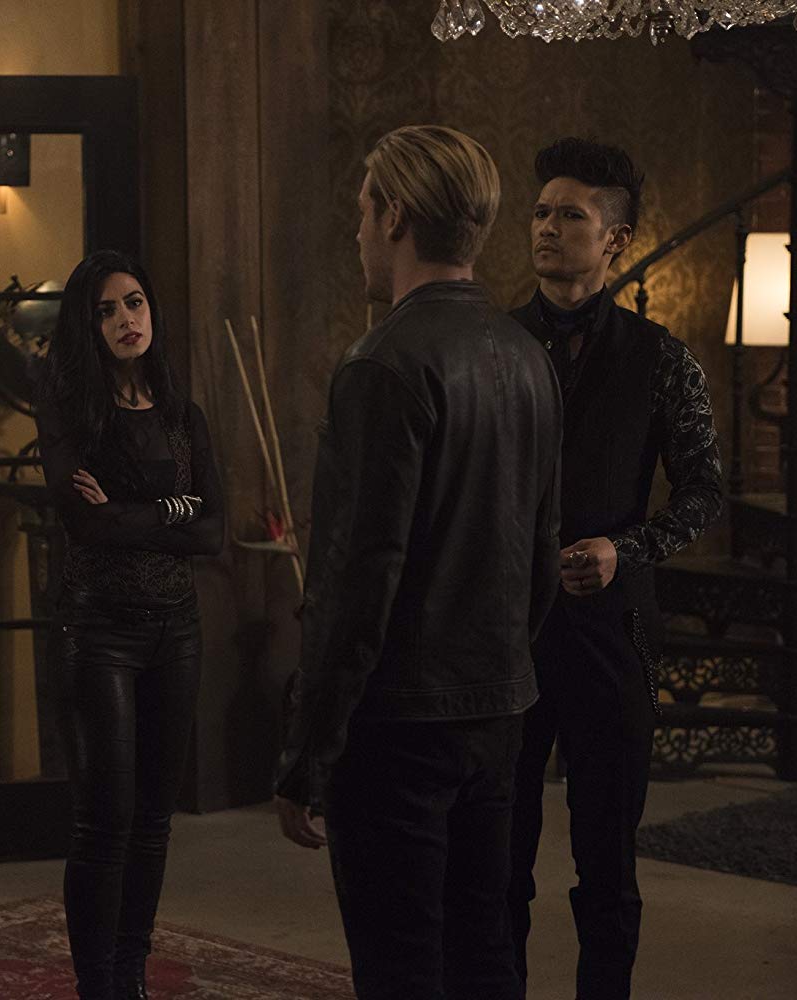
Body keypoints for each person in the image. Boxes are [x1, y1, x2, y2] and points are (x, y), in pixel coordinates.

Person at [274, 124, 563, 1000]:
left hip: (399, 727)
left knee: (401, 969)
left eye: (364, 210)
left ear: (395, 216)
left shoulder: (383, 365)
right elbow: (540, 555)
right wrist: (503, 672)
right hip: (497, 712)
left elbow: (355, 585)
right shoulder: (527, 357)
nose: (357, 230)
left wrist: (308, 754)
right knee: (485, 957)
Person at [507, 137, 722, 1000]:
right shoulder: (492, 345)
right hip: (506, 636)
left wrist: (623, 548)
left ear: (617, 240)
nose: (547, 228)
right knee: (496, 863)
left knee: (607, 867)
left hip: (611, 634)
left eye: (570, 215)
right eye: (540, 212)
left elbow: (704, 492)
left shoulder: (662, 358)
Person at [35, 249, 224, 1000]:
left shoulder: (183, 416)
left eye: (135, 303)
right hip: (100, 632)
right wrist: (170, 511)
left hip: (177, 631)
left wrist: (129, 512)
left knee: (152, 821)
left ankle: (130, 975)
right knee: (103, 821)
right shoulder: (71, 414)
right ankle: (99, 987)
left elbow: (213, 530)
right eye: (107, 310)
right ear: (88, 326)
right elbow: (86, 526)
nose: (125, 319)